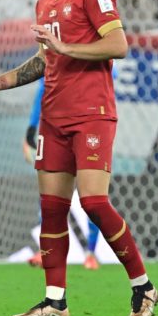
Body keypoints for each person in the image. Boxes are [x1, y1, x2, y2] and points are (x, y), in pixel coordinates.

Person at [0, 0, 158, 316]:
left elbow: (118, 45)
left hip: (92, 115)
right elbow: (44, 61)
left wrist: (68, 47)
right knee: (51, 208)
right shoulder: (44, 5)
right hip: (53, 117)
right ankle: (54, 301)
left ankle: (143, 286)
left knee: (95, 203)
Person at [23, 78, 101, 271]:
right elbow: (43, 88)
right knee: (50, 192)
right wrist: (32, 127)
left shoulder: (97, 52)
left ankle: (91, 253)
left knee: (92, 196)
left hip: (90, 128)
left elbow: (106, 81)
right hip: (56, 129)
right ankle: (46, 251)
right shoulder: (52, 53)